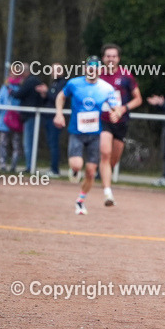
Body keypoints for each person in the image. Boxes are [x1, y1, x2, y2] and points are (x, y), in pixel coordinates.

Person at [53, 56, 122, 212]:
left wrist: (116, 114)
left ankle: (80, 201)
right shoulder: (74, 83)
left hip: (95, 135)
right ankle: (74, 170)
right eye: (90, 67)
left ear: (100, 70)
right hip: (76, 132)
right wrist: (59, 114)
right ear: (85, 69)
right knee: (77, 164)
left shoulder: (106, 88)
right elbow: (61, 96)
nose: (92, 70)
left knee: (91, 172)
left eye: (96, 68)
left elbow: (116, 107)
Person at [98, 44, 142, 173]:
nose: (111, 59)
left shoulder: (126, 76)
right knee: (105, 152)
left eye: (114, 56)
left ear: (118, 58)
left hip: (120, 121)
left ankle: (104, 173)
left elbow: (138, 99)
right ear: (103, 58)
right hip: (102, 120)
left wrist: (123, 109)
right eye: (108, 56)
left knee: (113, 161)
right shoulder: (98, 75)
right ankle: (99, 174)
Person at [13, 71, 48, 171]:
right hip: (31, 116)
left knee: (28, 143)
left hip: (30, 116)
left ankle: (30, 166)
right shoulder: (36, 81)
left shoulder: (30, 82)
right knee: (30, 142)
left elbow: (19, 94)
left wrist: (11, 91)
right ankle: (30, 165)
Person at [43, 64, 68, 176]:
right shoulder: (53, 83)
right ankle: (52, 168)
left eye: (58, 69)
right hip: (48, 117)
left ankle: (55, 169)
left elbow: (57, 98)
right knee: (51, 143)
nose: (55, 72)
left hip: (56, 118)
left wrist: (46, 91)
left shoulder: (63, 83)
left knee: (54, 144)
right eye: (53, 70)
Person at [0, 74, 23, 172]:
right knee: (3, 143)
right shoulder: (4, 87)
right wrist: (3, 111)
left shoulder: (21, 87)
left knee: (16, 143)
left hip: (16, 120)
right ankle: (2, 164)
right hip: (4, 120)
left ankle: (13, 165)